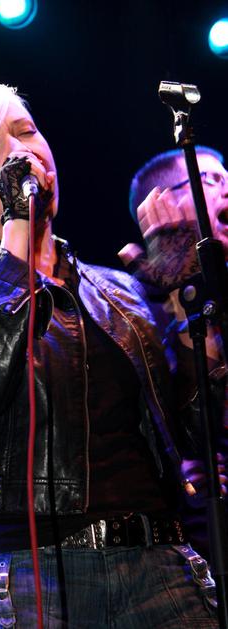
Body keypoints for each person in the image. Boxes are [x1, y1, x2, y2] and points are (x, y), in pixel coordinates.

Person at [0, 85, 219, 628]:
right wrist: (18, 226)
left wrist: (188, 304)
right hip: (24, 574)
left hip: (158, 566)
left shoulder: (122, 291)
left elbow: (195, 433)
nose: (22, 150)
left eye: (26, 131)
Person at [121, 146, 228, 559]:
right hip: (193, 545)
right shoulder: (133, 304)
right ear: (162, 204)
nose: (226, 190)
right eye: (211, 181)